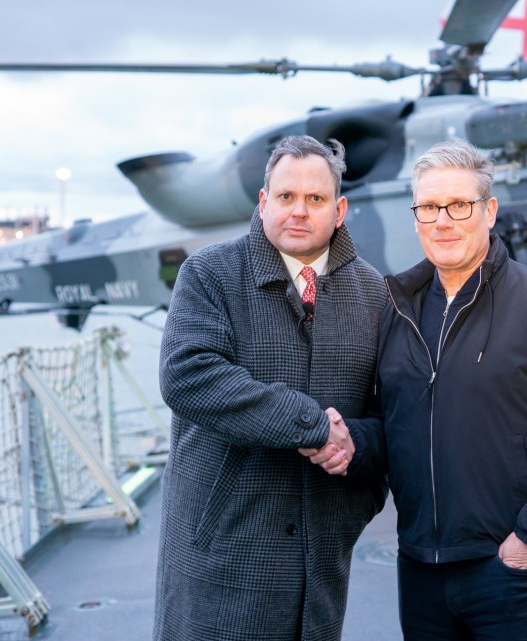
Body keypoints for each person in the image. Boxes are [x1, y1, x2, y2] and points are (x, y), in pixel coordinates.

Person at [307, 138, 527, 640]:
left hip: (513, 572)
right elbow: (390, 423)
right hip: (420, 571)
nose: (442, 220)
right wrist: (348, 442)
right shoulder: (397, 310)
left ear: (490, 211)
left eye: (459, 205)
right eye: (429, 207)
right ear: (415, 217)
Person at [154, 135, 388, 641]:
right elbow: (187, 374)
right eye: (285, 197)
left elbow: (390, 411)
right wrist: (311, 426)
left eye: (316, 199)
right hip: (222, 555)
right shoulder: (210, 273)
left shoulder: (374, 293)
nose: (299, 211)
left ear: (340, 209)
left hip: (322, 554)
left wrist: (357, 450)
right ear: (263, 204)